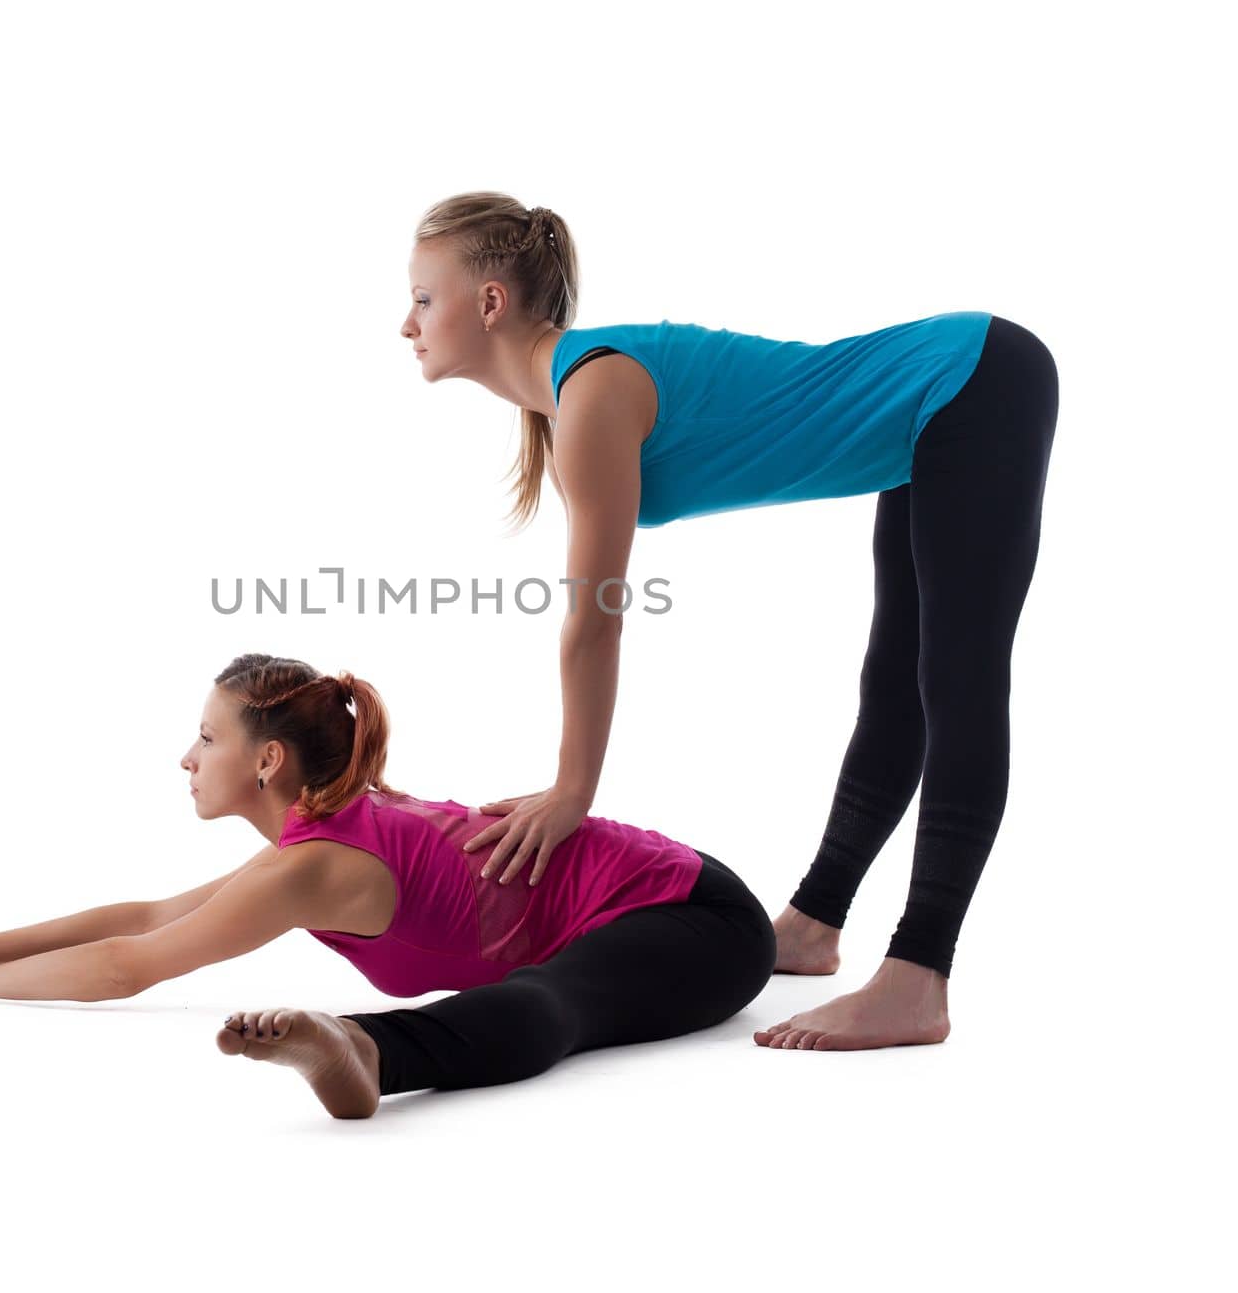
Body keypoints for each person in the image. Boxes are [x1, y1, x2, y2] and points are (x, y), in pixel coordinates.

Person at [399, 191, 1059, 1051]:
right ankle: (816, 925)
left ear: (490, 303)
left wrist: (573, 790)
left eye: (420, 297)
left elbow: (595, 621)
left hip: (971, 383)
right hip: (930, 411)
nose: (406, 324)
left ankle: (918, 975)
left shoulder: (592, 393)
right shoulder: (573, 401)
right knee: (895, 686)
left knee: (956, 679)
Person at [0, 653, 777, 1120]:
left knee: (548, 1003)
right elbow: (153, 915)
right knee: (544, 989)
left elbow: (130, 965)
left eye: (207, 739)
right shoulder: (314, 836)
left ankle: (370, 1054)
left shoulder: (313, 865)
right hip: (667, 913)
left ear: (268, 761)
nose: (186, 756)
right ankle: (369, 1051)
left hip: (694, 921)